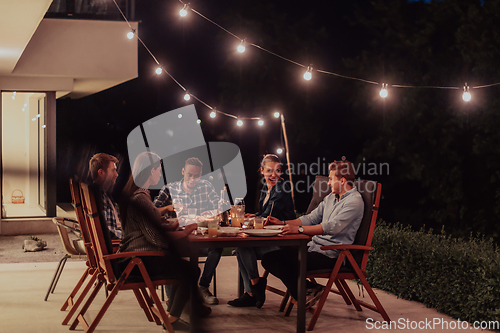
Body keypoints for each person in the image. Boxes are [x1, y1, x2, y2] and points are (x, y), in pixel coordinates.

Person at [118, 151, 207, 331]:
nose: (160, 173)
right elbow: (157, 239)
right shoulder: (141, 199)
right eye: (158, 169)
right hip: (137, 261)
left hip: (135, 255)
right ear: (150, 171)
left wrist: (172, 227)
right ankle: (172, 318)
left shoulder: (138, 194)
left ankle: (174, 312)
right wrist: (185, 232)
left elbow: (148, 229)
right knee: (190, 271)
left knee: (179, 263)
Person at [261, 160, 364, 309]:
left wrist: (300, 230)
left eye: (330, 179)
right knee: (270, 258)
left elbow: (332, 227)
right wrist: (282, 223)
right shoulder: (331, 197)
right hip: (313, 247)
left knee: (287, 264)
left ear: (342, 181)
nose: (328, 183)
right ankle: (309, 290)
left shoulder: (354, 202)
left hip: (331, 254)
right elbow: (310, 218)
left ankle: (303, 293)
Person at [228, 154, 295, 308]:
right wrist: (255, 216)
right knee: (241, 248)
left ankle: (254, 289)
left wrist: (255, 218)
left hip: (284, 241)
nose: (274, 174)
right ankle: (252, 290)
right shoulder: (267, 187)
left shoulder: (281, 188)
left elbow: (269, 216)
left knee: (243, 248)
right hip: (271, 236)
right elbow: (264, 214)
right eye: (270, 170)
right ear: (262, 170)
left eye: (277, 170)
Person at [154, 157, 222, 305]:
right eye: (189, 175)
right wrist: (168, 207)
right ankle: (174, 298)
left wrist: (211, 214)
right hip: (179, 238)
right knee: (167, 249)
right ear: (183, 172)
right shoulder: (169, 188)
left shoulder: (206, 187)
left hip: (200, 236)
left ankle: (203, 287)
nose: (193, 178)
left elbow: (219, 208)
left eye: (196, 176)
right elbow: (152, 212)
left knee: (216, 247)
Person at [89, 153, 122, 240]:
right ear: (101, 172)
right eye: (113, 170)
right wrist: (129, 237)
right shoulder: (98, 197)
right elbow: (106, 231)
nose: (116, 174)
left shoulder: (104, 193)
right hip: (119, 244)